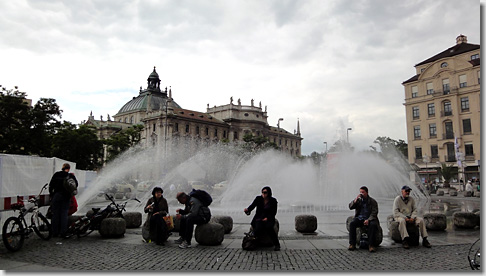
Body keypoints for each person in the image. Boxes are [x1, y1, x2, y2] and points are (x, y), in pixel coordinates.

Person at [243, 186, 281, 251]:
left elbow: (273, 212)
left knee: (269, 228)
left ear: (269, 193)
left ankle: (277, 244)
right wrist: (247, 210)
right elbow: (252, 206)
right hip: (259, 218)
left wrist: (267, 218)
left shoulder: (273, 201)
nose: (263, 194)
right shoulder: (258, 199)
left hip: (268, 218)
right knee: (258, 228)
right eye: (262, 192)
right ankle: (251, 243)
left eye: (265, 192)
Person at [48, 163, 78, 238]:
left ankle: (55, 232)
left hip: (57, 195)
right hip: (66, 196)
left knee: (55, 214)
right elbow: (75, 185)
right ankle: (63, 232)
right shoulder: (70, 176)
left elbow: (51, 185)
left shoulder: (57, 174)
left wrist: (51, 194)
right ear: (69, 168)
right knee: (64, 214)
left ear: (62, 168)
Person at [348, 186, 379, 252]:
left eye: (363, 192)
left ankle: (371, 245)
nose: (361, 194)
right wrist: (355, 200)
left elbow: (374, 212)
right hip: (360, 218)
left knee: (373, 225)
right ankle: (352, 244)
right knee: (352, 224)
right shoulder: (358, 201)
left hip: (369, 219)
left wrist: (369, 219)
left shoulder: (372, 201)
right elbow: (350, 207)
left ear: (367, 193)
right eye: (360, 192)